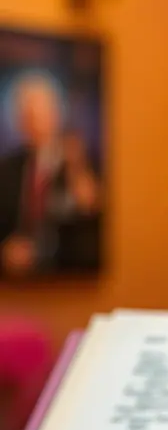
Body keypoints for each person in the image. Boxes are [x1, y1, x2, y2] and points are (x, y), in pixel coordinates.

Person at [0, 72, 100, 277]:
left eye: (39, 115)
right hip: (16, 280)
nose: (33, 124)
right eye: (26, 117)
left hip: (68, 278)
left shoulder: (80, 160)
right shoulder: (8, 168)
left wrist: (76, 170)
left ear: (56, 115)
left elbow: (89, 210)